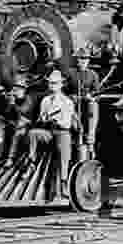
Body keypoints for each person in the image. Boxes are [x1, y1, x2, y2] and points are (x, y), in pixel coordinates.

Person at [30, 70, 76, 199]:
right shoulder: (45, 101)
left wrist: (56, 121)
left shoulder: (67, 102)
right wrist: (44, 119)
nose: (52, 86)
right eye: (50, 84)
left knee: (63, 150)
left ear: (61, 85)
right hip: (48, 131)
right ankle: (31, 162)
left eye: (55, 83)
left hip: (62, 132)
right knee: (33, 133)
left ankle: (64, 182)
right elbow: (41, 118)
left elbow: (67, 124)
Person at [67, 49, 101, 160]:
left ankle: (91, 144)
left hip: (87, 107)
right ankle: (75, 147)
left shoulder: (93, 75)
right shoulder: (71, 73)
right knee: (76, 127)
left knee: (93, 106)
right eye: (80, 59)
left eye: (85, 59)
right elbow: (63, 92)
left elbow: (97, 94)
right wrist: (71, 97)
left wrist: (91, 97)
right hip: (73, 106)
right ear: (77, 60)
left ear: (88, 61)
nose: (83, 61)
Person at [4, 76, 38, 168]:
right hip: (17, 123)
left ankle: (11, 158)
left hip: (28, 124)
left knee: (18, 133)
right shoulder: (13, 98)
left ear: (24, 90)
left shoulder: (29, 99)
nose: (17, 91)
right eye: (16, 89)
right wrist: (10, 104)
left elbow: (23, 111)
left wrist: (13, 104)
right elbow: (7, 114)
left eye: (19, 89)